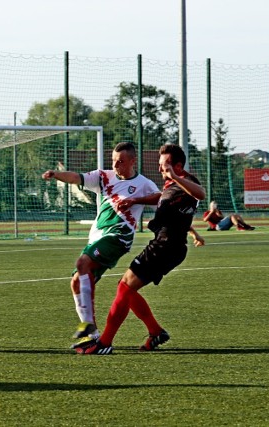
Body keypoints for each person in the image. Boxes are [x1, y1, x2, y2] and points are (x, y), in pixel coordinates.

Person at [74, 143, 206, 355]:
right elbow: (179, 214)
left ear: (179, 167)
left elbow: (201, 194)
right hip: (170, 246)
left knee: (124, 287)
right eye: (162, 165)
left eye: (165, 166)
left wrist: (175, 177)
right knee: (125, 287)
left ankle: (105, 342)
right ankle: (155, 332)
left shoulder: (183, 183)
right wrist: (193, 232)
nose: (162, 169)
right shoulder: (177, 185)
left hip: (165, 246)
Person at [43, 142, 162, 346]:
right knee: (76, 281)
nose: (116, 165)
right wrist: (56, 174)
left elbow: (161, 198)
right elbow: (76, 178)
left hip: (119, 236)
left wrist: (136, 201)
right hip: (98, 237)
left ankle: (88, 326)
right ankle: (93, 334)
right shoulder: (103, 176)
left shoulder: (143, 183)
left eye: (121, 161)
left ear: (133, 161)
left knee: (82, 264)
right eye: (114, 160)